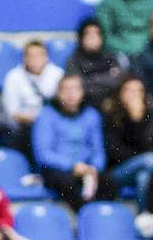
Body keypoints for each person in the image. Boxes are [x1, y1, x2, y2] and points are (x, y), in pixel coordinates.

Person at [32, 74, 117, 211]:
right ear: (58, 94)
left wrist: (95, 167)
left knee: (110, 182)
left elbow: (98, 148)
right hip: (59, 169)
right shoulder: (46, 115)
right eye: (65, 89)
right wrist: (72, 166)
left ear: (82, 93)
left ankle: (98, 216)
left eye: (75, 89)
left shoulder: (91, 115)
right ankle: (85, 215)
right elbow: (43, 154)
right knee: (66, 183)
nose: (70, 94)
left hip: (86, 169)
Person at [102, 75, 153, 207]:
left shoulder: (151, 116)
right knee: (150, 160)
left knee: (143, 176)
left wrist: (138, 120)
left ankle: (142, 217)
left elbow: (151, 144)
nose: (133, 95)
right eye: (129, 90)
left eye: (138, 91)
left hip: (145, 168)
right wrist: (140, 158)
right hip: (118, 171)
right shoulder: (110, 116)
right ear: (120, 93)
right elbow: (114, 152)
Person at [0, 40, 63, 155]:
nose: (36, 60)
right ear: (24, 58)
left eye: (39, 55)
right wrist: (35, 119)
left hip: (51, 121)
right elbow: (12, 112)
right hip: (25, 123)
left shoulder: (58, 74)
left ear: (46, 57)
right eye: (31, 56)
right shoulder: (13, 76)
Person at [65, 18, 122, 112]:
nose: (92, 37)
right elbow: (77, 87)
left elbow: (117, 82)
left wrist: (89, 78)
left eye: (96, 33)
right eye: (88, 33)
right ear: (81, 37)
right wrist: (105, 77)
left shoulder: (111, 57)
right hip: (83, 107)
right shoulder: (73, 60)